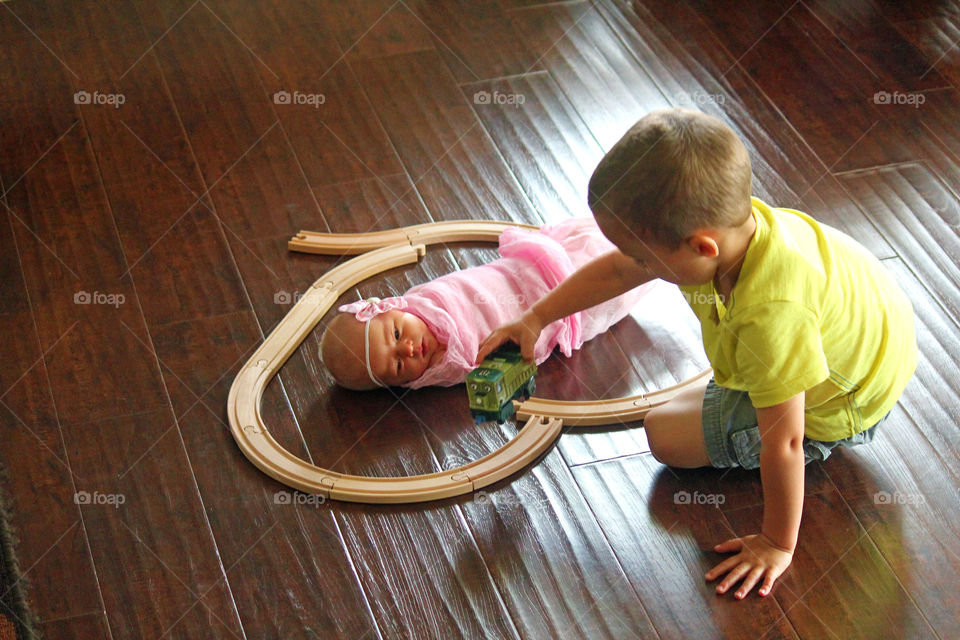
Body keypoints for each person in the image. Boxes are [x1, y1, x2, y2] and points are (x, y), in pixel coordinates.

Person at [476, 107, 917, 600]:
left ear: (703, 247)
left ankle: (827, 440)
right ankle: (755, 396)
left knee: (665, 437)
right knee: (686, 411)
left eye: (645, 257)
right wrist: (536, 318)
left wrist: (776, 543)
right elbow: (620, 270)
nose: (637, 264)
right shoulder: (734, 231)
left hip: (842, 403)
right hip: (866, 348)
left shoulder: (770, 316)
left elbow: (785, 442)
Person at [319, 216, 658, 390]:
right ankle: (655, 258)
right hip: (549, 312)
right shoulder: (443, 367)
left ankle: (645, 228)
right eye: (396, 367)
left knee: (594, 242)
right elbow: (471, 366)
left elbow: (457, 290)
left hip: (524, 271)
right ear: (406, 384)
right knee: (609, 288)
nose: (408, 349)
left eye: (395, 334)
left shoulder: (420, 300)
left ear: (391, 307)